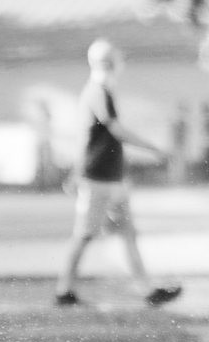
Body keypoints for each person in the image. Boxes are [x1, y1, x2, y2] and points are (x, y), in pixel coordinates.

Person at [54, 39, 182, 307]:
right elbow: (116, 130)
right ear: (111, 63)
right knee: (85, 234)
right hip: (98, 178)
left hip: (112, 178)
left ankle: (147, 290)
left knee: (127, 233)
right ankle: (64, 290)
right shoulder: (98, 92)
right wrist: (153, 148)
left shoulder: (100, 91)